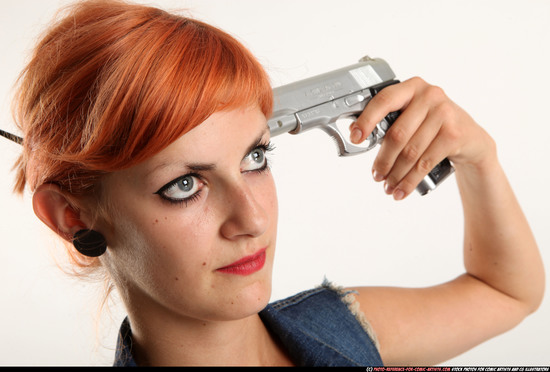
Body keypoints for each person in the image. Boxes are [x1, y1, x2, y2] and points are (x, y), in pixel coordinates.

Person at [3, 0, 544, 366]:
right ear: (72, 216)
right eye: (185, 185)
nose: (253, 220)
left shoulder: (342, 327)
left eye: (255, 157)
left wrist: (479, 159)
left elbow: (508, 292)